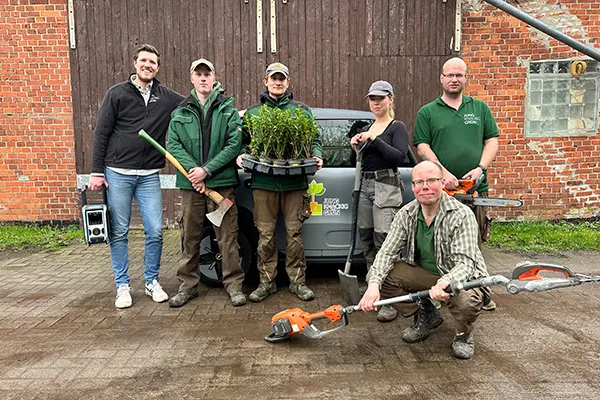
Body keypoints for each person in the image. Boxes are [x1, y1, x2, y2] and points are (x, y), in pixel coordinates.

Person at [358, 161, 489, 360]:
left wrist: (445, 282)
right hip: (428, 274)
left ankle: (463, 335)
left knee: (465, 300)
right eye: (419, 182)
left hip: (463, 278)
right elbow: (386, 253)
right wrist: (373, 286)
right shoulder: (406, 214)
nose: (425, 186)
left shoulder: (462, 215)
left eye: (431, 180)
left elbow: (466, 263)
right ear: (413, 187)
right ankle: (426, 314)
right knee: (378, 277)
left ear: (442, 182)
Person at [89, 44, 184, 309]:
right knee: (119, 231)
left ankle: (151, 281)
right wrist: (97, 171)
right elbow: (102, 133)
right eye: (144, 60)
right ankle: (122, 285)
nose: (148, 65)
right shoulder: (117, 94)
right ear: (135, 63)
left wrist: (228, 109)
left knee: (155, 231)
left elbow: (194, 104)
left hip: (148, 175)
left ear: (158, 67)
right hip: (117, 173)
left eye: (153, 62)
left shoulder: (165, 97)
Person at [413, 57, 499, 311]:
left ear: (465, 78)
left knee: (474, 244)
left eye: (459, 75)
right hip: (442, 191)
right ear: (441, 78)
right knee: (441, 242)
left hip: (475, 190)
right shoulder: (428, 112)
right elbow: (422, 147)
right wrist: (441, 172)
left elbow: (491, 141)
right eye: (449, 75)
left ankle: (481, 291)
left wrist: (480, 169)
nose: (454, 79)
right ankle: (443, 291)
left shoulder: (479, 108)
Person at [236, 62, 323, 302]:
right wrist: (241, 154)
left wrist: (316, 155)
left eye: (282, 78)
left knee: (294, 234)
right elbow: (242, 141)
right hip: (263, 183)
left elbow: (314, 138)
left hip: (295, 184)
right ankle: (266, 282)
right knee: (265, 235)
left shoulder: (301, 111)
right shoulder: (253, 114)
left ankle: (297, 282)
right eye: (273, 78)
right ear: (266, 81)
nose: (278, 82)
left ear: (288, 82)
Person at [166, 58, 246, 308]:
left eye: (207, 74)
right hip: (191, 186)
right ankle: (188, 286)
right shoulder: (179, 112)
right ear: (192, 78)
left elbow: (234, 144)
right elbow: (173, 144)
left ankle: (234, 286)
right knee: (190, 237)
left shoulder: (229, 111)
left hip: (220, 185)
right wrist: (194, 172)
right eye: (198, 74)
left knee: (227, 237)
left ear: (214, 78)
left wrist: (207, 170)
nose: (203, 78)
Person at [349, 80, 408, 323]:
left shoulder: (396, 127)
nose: (376, 103)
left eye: (380, 98)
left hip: (387, 186)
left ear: (390, 99)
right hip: (365, 185)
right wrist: (355, 146)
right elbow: (363, 160)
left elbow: (399, 157)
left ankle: (389, 296)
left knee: (385, 239)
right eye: (372, 99)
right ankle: (374, 285)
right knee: (367, 237)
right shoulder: (368, 126)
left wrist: (374, 139)